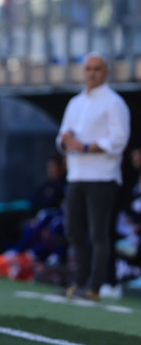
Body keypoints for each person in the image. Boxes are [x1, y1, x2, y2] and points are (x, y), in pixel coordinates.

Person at [57, 53, 130, 301]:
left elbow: (119, 140)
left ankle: (94, 286)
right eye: (88, 68)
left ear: (106, 72)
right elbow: (62, 138)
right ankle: (79, 280)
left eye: (97, 69)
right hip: (76, 175)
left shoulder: (113, 102)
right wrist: (66, 141)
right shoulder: (76, 103)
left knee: (98, 233)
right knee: (74, 231)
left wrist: (86, 147)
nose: (92, 73)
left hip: (101, 176)